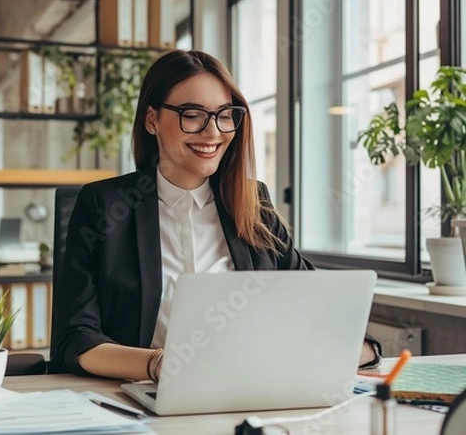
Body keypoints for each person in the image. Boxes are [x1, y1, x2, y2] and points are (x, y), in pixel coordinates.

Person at [54, 49, 381, 381]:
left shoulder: (255, 204)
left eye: (225, 115)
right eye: (193, 114)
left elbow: (323, 308)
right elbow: (77, 337)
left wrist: (356, 348)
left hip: (249, 389)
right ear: (152, 120)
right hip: (139, 396)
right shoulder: (104, 206)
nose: (212, 132)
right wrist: (160, 365)